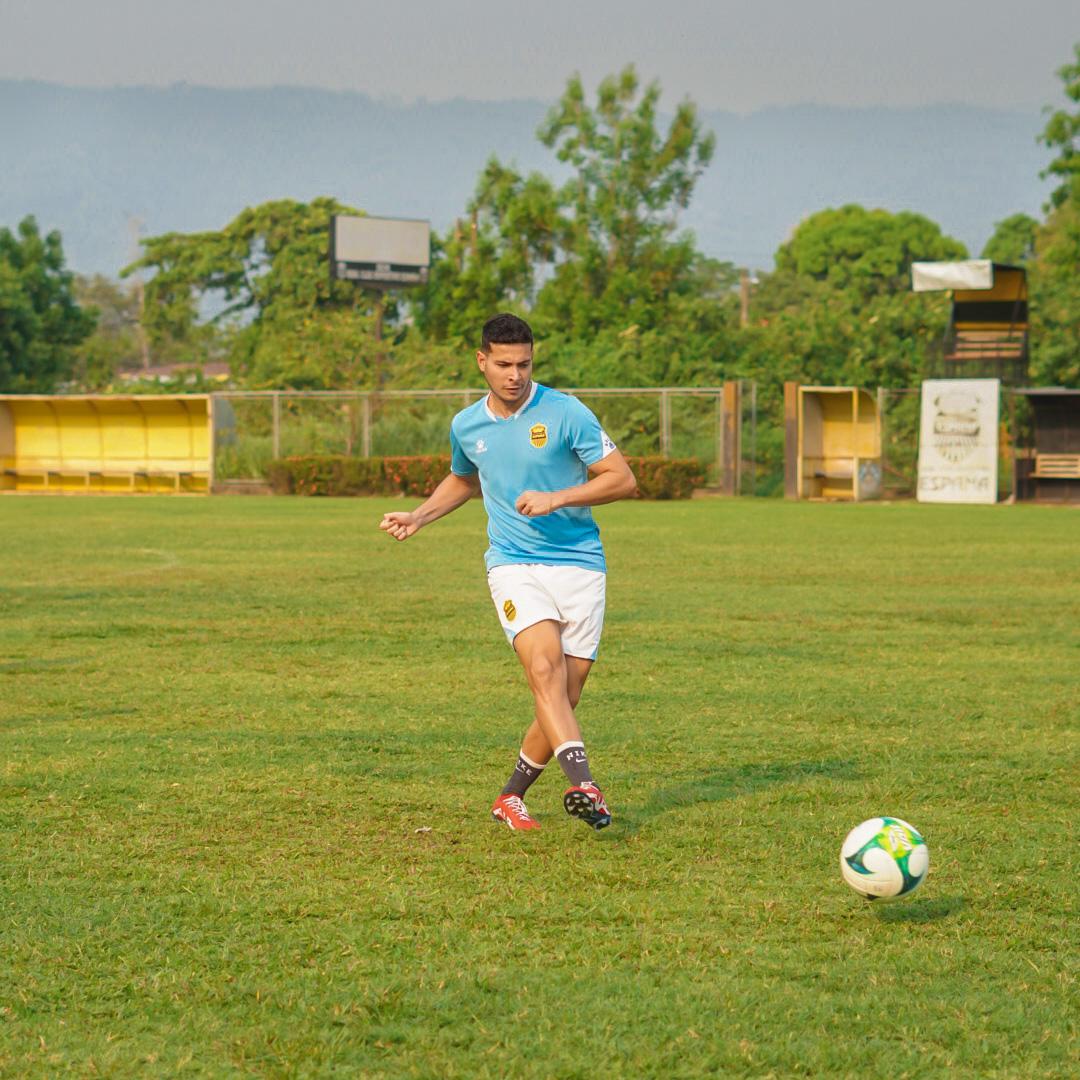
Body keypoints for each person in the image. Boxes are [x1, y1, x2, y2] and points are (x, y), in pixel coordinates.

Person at [379, 313, 637, 831]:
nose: (515, 374)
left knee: (565, 695)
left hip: (581, 565)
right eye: (503, 364)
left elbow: (623, 479)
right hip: (513, 564)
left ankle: (509, 797)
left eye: (524, 364)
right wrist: (419, 515)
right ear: (482, 361)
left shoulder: (566, 412)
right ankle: (584, 783)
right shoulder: (467, 425)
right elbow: (463, 478)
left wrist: (558, 496)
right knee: (543, 669)